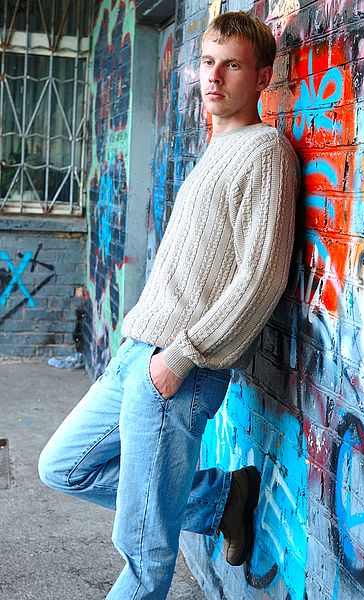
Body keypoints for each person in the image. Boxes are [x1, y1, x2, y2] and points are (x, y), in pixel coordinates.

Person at [38, 11, 300, 600]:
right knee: (61, 466)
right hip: (137, 354)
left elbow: (260, 280)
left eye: (232, 64)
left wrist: (180, 358)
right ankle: (222, 499)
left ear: (261, 77)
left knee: (143, 554)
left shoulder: (264, 152)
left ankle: (215, 503)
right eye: (208, 62)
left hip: (176, 369)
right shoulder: (216, 149)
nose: (215, 76)